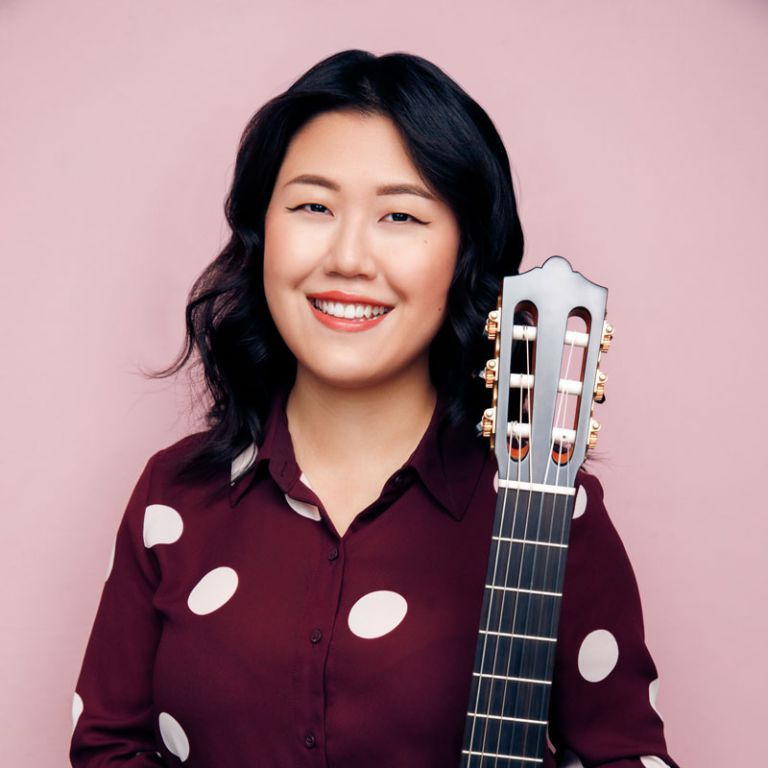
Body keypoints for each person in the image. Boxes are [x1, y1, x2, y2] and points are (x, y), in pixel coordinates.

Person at [70, 50, 679, 768]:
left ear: (463, 253)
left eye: (401, 215)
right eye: (312, 207)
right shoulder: (171, 497)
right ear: (262, 235)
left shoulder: (547, 512)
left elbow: (624, 754)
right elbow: (110, 748)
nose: (350, 258)